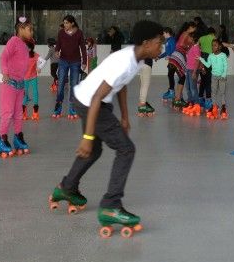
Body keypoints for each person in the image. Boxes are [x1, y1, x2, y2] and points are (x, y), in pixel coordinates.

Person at [48, 20, 164, 237]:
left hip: (87, 99)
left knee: (95, 150)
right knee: (126, 149)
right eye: (160, 42)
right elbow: (96, 99)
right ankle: (111, 205)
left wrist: (125, 117)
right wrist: (87, 136)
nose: (162, 47)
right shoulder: (125, 61)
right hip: (91, 103)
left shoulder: (135, 59)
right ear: (146, 43)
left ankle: (66, 188)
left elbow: (120, 86)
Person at [0, 18, 33, 157]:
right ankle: (1, 138)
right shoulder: (13, 41)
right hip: (8, 83)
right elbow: (3, 57)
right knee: (7, 113)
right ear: (21, 28)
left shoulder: (24, 45)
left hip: (19, 84)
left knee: (18, 113)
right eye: (29, 29)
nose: (32, 32)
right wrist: (5, 72)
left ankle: (18, 137)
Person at [54, 15, 87, 119]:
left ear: (72, 23)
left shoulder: (79, 33)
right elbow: (58, 45)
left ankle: (72, 109)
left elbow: (82, 47)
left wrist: (84, 61)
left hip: (75, 62)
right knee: (60, 85)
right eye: (64, 23)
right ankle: (58, 107)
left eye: (67, 23)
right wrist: (56, 52)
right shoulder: (61, 33)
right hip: (63, 61)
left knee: (74, 85)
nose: (65, 25)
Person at [167, 21, 197, 110]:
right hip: (179, 56)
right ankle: (177, 99)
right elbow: (181, 45)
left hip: (174, 57)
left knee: (181, 77)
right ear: (190, 27)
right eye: (194, 28)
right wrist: (189, 47)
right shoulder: (187, 34)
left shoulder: (183, 33)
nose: (194, 30)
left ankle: (177, 98)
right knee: (182, 77)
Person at [199, 39, 229, 119]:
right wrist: (201, 59)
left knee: (222, 92)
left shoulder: (223, 55)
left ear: (219, 46)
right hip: (214, 76)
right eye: (212, 45)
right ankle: (214, 106)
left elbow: (225, 66)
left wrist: (224, 74)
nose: (213, 47)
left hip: (222, 76)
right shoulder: (210, 56)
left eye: (215, 45)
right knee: (214, 92)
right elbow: (208, 65)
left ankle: (223, 107)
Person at [23, 36, 43, 121]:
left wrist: (39, 67)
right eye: (26, 47)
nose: (27, 49)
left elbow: (43, 61)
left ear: (31, 47)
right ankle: (23, 113)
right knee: (24, 95)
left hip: (33, 77)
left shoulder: (35, 55)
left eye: (28, 47)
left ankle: (35, 113)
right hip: (24, 78)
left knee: (35, 93)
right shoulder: (22, 55)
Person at [197, 26, 217, 110]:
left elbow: (197, 47)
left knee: (203, 80)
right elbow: (217, 47)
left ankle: (201, 99)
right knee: (208, 81)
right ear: (213, 33)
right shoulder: (213, 37)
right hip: (209, 59)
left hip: (202, 59)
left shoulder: (201, 38)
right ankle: (208, 101)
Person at [182, 36, 202, 116]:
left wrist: (194, 72)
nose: (188, 40)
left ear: (194, 39)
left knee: (193, 88)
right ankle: (190, 102)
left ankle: (197, 105)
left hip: (193, 70)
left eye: (189, 38)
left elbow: (197, 60)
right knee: (188, 87)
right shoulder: (192, 47)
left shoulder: (196, 48)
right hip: (188, 69)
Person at [158, 27, 176, 101]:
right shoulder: (168, 41)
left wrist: (169, 56)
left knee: (170, 75)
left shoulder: (172, 40)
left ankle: (172, 92)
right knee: (170, 75)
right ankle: (171, 90)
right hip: (170, 61)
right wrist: (159, 57)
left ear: (167, 33)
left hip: (173, 61)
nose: (163, 35)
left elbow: (173, 50)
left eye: (164, 33)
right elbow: (167, 52)